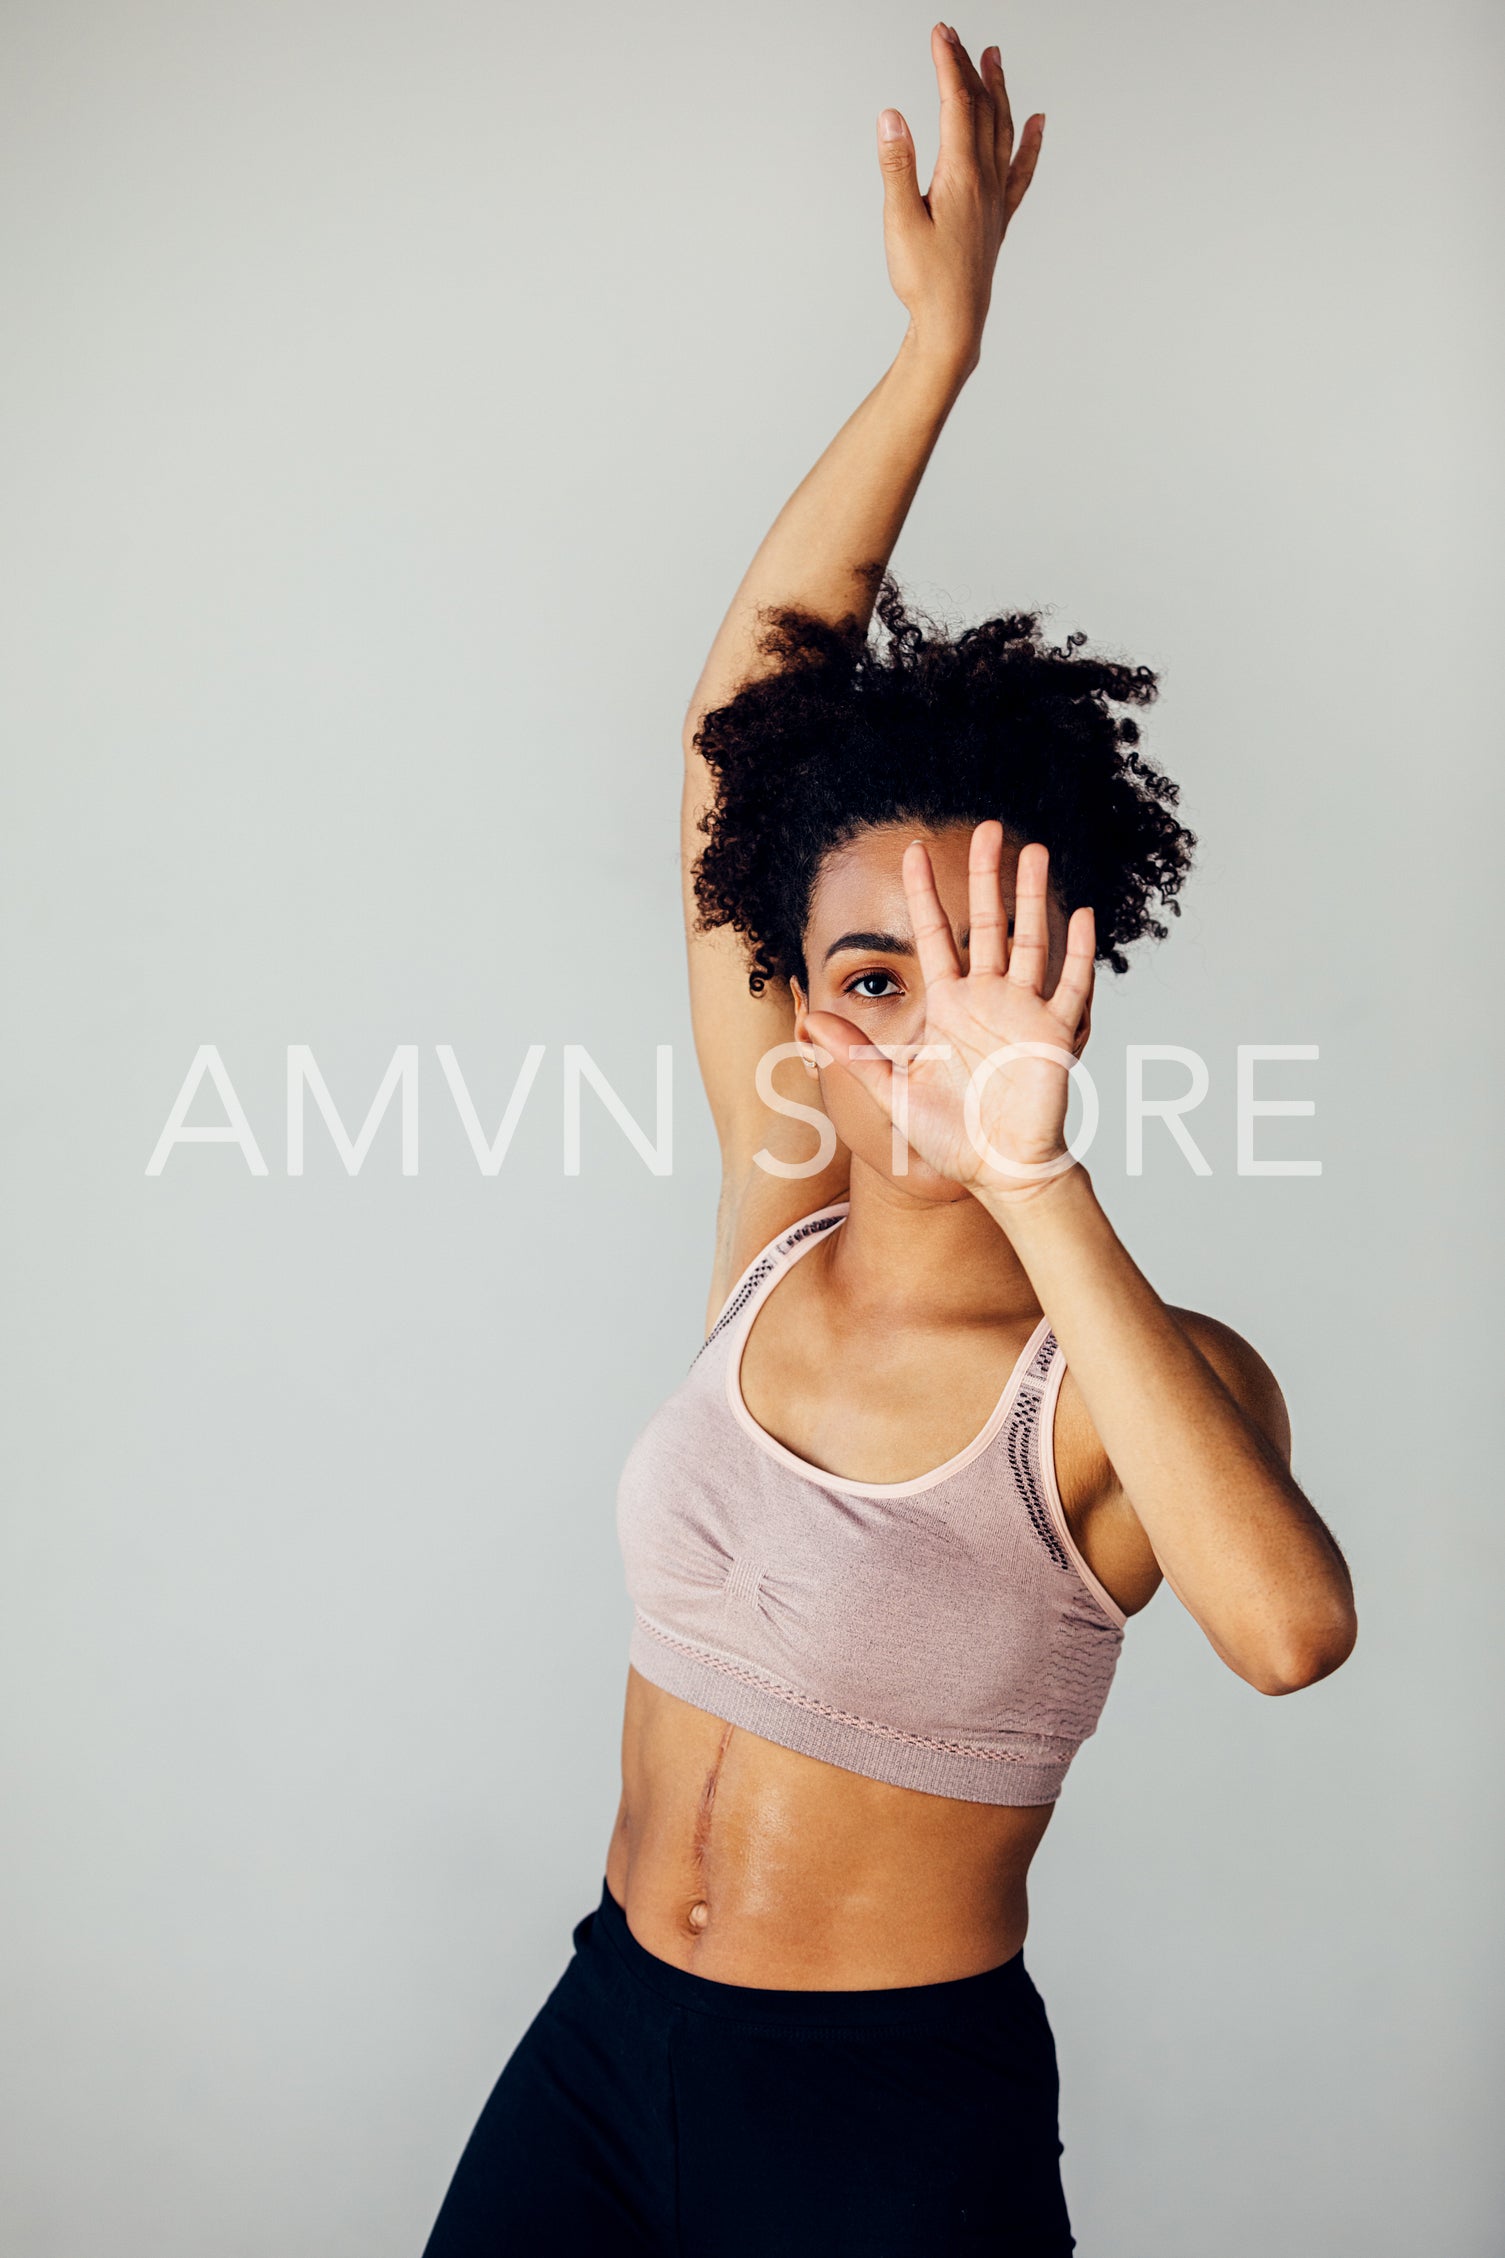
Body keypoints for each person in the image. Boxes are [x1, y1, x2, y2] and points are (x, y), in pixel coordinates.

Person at [421, 25, 1356, 2255]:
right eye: (867, 974)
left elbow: (1293, 1629)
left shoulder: (1135, 1382)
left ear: (1074, 963)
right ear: (803, 1005)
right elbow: (739, 718)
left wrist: (1036, 1171)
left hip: (879, 2126)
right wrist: (935, 354)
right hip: (602, 2032)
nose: (918, 1022)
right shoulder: (779, 1214)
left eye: (978, 956)